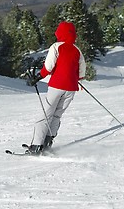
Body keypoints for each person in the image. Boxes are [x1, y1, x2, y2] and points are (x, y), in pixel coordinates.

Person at [26, 21, 86, 155]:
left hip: (57, 86)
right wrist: (75, 78)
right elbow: (82, 72)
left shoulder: (56, 47)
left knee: (46, 114)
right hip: (71, 88)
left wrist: (37, 77)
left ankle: (36, 146)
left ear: (60, 33)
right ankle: (47, 143)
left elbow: (48, 67)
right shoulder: (77, 50)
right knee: (57, 115)